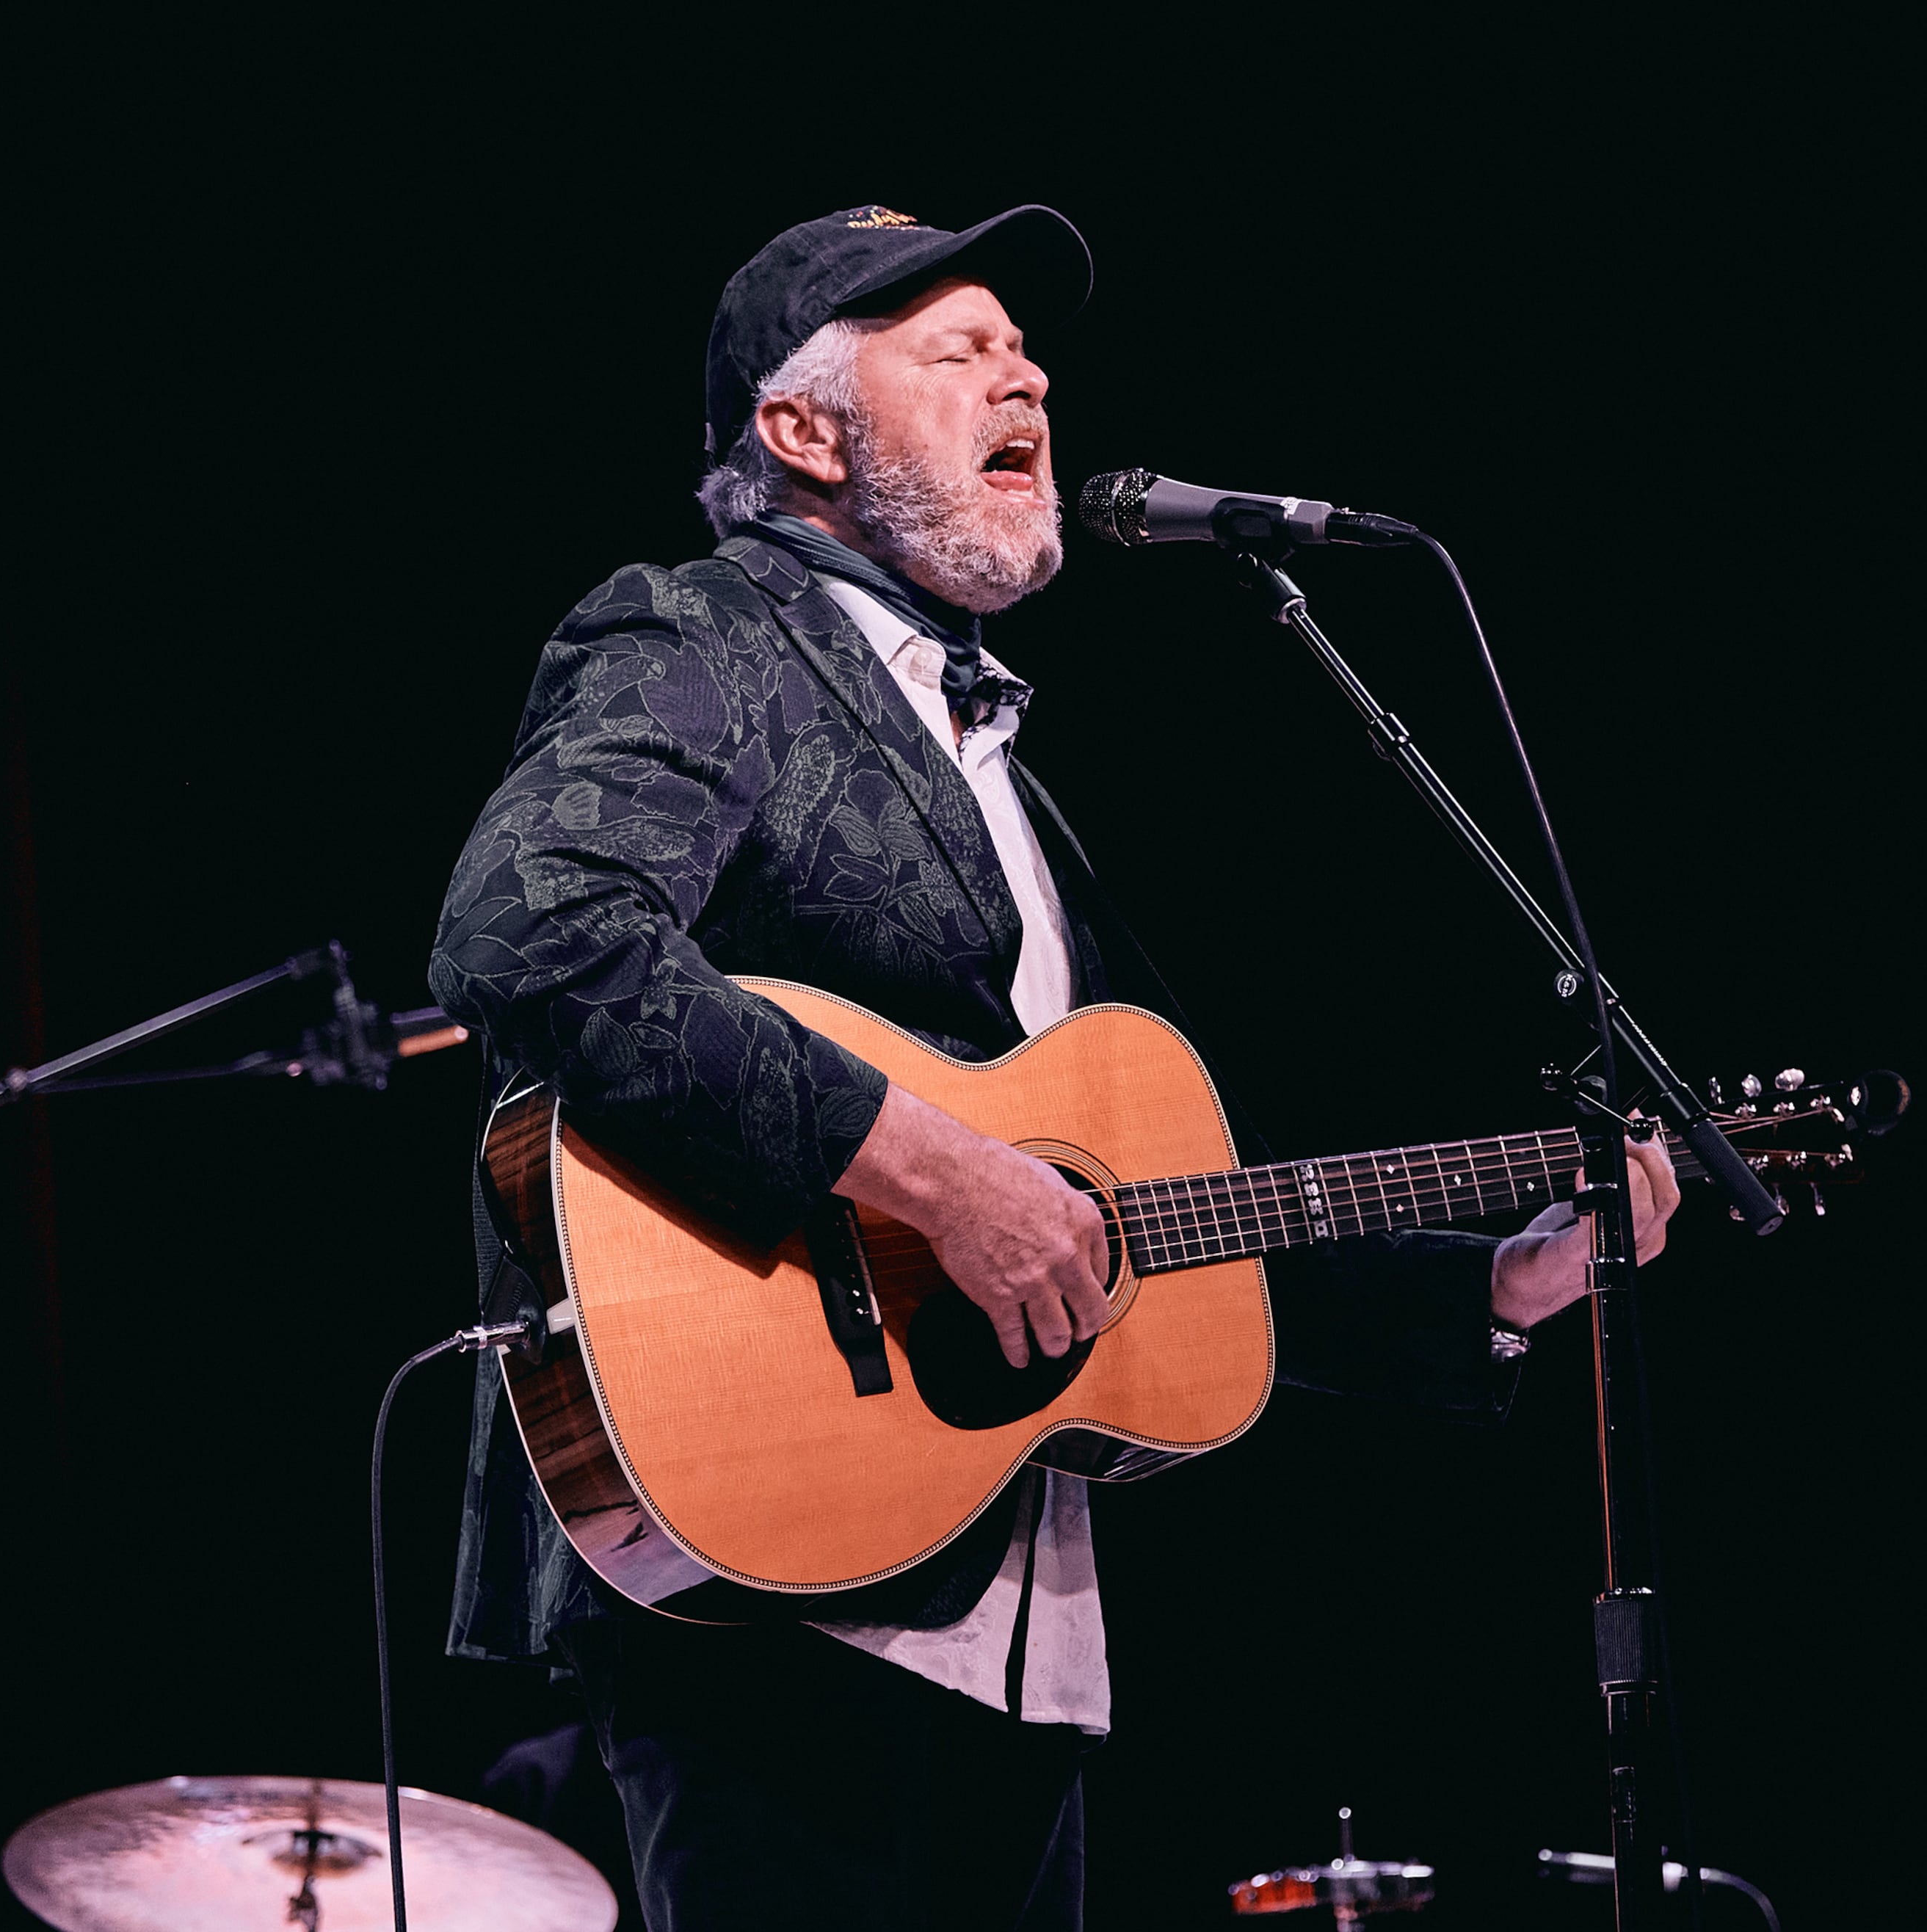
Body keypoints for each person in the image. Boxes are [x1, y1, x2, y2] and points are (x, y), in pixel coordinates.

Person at [427, 203, 1681, 1931]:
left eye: (1026, 350)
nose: (1025, 370)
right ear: (802, 431)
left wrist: (1496, 1281)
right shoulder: (702, 633)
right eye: (955, 348)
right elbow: (533, 935)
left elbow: (1125, 1224)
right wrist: (936, 1173)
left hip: (1018, 1615)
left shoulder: (1002, 761)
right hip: (779, 1577)